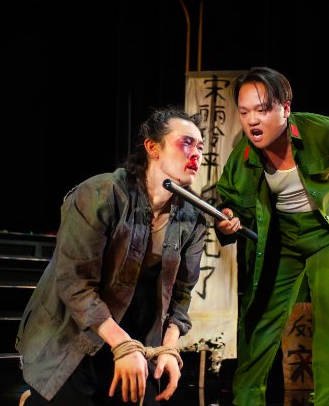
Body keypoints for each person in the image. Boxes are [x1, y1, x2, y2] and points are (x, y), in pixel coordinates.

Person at [214, 67, 329, 406]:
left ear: (285, 108)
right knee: (261, 318)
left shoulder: (323, 131)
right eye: (244, 112)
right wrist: (226, 219)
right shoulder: (243, 157)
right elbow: (229, 202)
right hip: (281, 238)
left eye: (262, 110)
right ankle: (247, 399)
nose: (252, 121)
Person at [15, 106, 208, 405]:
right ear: (152, 148)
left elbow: (181, 294)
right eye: (186, 143)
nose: (196, 153)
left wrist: (168, 347)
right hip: (73, 332)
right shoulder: (100, 194)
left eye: (200, 147)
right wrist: (122, 344)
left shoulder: (193, 217)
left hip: (135, 334)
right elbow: (74, 285)